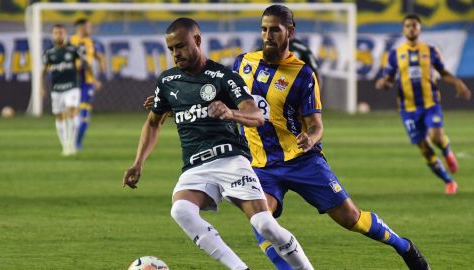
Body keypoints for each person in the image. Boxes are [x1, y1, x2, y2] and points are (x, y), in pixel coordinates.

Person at [233, 5, 430, 270]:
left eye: (275, 30)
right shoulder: (242, 63)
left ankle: (403, 246)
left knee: (351, 218)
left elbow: (316, 125)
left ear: (289, 31)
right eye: (264, 29)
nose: (268, 35)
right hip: (262, 165)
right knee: (260, 219)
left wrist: (311, 139)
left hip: (303, 161)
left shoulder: (303, 75)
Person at [123, 18, 314, 270]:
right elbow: (153, 123)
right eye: (170, 49)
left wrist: (231, 113)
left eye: (180, 46)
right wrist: (138, 163)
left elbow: (257, 116)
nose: (175, 54)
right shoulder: (167, 82)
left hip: (230, 160)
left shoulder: (223, 77)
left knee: (265, 225)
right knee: (180, 210)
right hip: (195, 166)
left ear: (198, 41)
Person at [376, 14, 471, 195]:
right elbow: (387, 79)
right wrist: (383, 83)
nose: (411, 29)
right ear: (403, 30)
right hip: (408, 109)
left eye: (414, 26)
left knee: (436, 137)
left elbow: (443, 72)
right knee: (425, 149)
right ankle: (449, 182)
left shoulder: (431, 51)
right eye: (408, 26)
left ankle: (446, 150)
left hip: (430, 103)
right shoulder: (395, 55)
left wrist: (458, 83)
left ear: (420, 29)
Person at [42, 24, 85, 156]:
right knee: (60, 116)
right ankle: (65, 145)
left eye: (60, 33)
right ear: (52, 35)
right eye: (55, 33)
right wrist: (41, 88)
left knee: (72, 110)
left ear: (65, 34)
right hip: (57, 89)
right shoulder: (49, 53)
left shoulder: (74, 50)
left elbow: (82, 64)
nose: (58, 35)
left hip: (72, 86)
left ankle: (71, 144)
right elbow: (43, 71)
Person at [70, 18, 106, 151]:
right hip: (72, 83)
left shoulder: (92, 42)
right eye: (88, 26)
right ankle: (71, 141)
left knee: (84, 115)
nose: (90, 29)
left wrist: (101, 71)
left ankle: (77, 143)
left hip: (87, 83)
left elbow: (99, 57)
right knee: (73, 114)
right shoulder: (70, 42)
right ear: (81, 28)